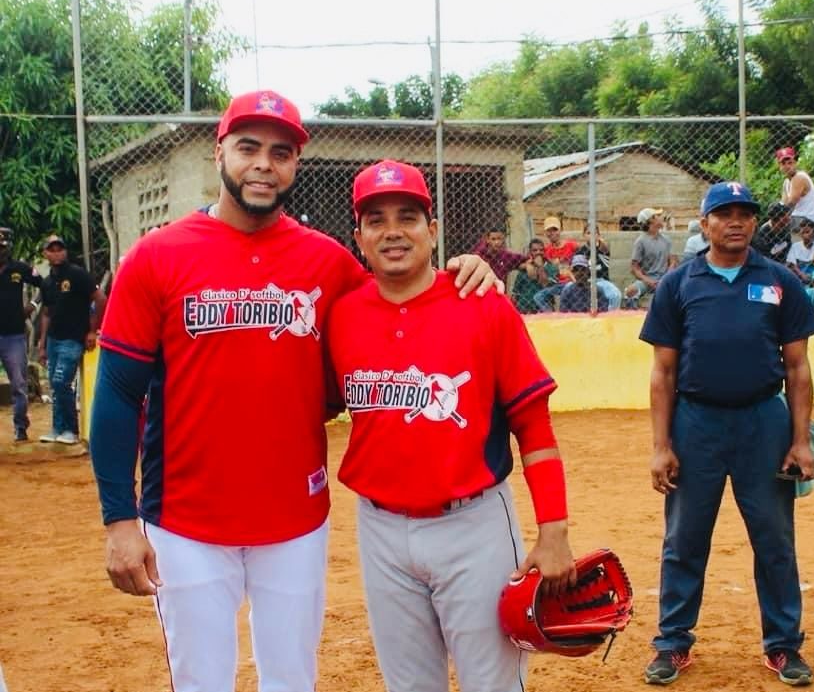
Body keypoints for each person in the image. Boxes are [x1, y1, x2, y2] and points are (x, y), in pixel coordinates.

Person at [86, 90, 498, 692]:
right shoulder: (156, 258)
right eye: (248, 147)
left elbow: (403, 298)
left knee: (291, 679)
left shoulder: (328, 263)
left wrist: (465, 271)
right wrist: (119, 519)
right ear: (219, 152)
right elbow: (118, 395)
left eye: (281, 153)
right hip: (184, 519)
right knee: (201, 682)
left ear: (295, 164)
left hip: (296, 519)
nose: (263, 164)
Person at [327, 159, 576, 692]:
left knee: (492, 684)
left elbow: (533, 425)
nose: (393, 231)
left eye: (408, 217)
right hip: (380, 529)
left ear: (433, 230)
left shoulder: (482, 304)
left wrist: (554, 530)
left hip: (474, 524)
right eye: (376, 220)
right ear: (359, 238)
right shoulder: (342, 316)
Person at [640, 181, 814, 687]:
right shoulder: (678, 284)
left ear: (755, 222)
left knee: (774, 538)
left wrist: (800, 440)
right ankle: (672, 643)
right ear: (705, 224)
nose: (735, 222)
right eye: (724, 214)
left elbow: (798, 368)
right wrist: (661, 446)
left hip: (763, 422)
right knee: (684, 538)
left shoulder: (780, 282)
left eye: (744, 213)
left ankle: (783, 645)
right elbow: (662, 373)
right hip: (695, 423)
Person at [38, 234, 106, 444]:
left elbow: (100, 299)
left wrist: (93, 330)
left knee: (62, 382)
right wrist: (42, 343)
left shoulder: (77, 274)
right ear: (45, 254)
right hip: (53, 339)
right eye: (52, 250)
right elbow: (46, 313)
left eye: (60, 249)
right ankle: (57, 428)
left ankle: (71, 430)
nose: (57, 253)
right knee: (54, 384)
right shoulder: (47, 282)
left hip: (73, 338)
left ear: (65, 252)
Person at [0, 227, 43, 442]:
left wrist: (33, 305)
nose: (0, 251)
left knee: (18, 383)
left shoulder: (19, 268)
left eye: (3, 247)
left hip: (13, 335)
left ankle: (20, 427)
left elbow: (45, 285)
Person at [624, 208, 675, 308]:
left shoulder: (667, 240)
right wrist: (648, 281)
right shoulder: (640, 241)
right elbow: (634, 267)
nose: (662, 217)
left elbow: (673, 262)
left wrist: (666, 278)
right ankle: (633, 310)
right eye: (658, 216)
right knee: (630, 291)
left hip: (665, 279)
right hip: (647, 281)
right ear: (651, 220)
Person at [533, 216, 578, 312]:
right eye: (549, 231)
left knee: (566, 292)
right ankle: (551, 315)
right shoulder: (547, 250)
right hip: (557, 284)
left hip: (571, 282)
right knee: (538, 297)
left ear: (560, 230)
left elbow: (584, 253)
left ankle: (563, 315)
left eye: (554, 229)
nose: (552, 233)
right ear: (545, 233)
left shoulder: (571, 245)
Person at [577, 223, 622, 310]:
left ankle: (611, 315)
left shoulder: (603, 249)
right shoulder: (581, 251)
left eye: (594, 233)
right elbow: (577, 271)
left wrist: (600, 241)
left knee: (616, 295)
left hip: (601, 280)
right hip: (586, 281)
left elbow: (605, 249)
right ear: (584, 235)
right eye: (588, 233)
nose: (591, 236)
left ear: (598, 235)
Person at [776, 147, 814, 227]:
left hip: (809, 221)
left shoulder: (799, 177)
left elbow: (791, 203)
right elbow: (783, 203)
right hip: (797, 219)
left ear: (795, 163)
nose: (787, 166)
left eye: (790, 163)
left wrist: (777, 212)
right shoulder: (786, 182)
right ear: (779, 166)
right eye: (783, 164)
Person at [511, 238, 558, 314]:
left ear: (544, 251)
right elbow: (515, 294)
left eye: (541, 250)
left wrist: (540, 267)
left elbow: (546, 284)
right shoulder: (524, 269)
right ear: (530, 252)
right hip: (524, 309)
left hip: (543, 309)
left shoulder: (551, 267)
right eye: (535, 250)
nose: (538, 252)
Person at [785, 218, 814, 284]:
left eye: (807, 232)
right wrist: (802, 275)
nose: (805, 235)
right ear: (800, 234)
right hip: (799, 272)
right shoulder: (795, 246)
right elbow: (792, 264)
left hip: (813, 271)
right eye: (803, 232)